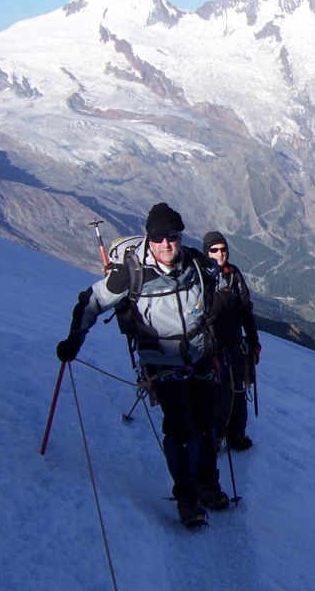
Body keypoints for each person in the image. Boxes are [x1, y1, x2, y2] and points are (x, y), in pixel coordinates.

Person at [56, 203, 229, 528]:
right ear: (149, 238)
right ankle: (187, 498)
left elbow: (216, 279)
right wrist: (73, 341)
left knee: (208, 426)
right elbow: (91, 302)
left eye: (172, 236)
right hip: (162, 363)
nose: (166, 244)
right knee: (180, 431)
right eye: (159, 237)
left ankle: (208, 484)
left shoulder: (193, 262)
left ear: (180, 236)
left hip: (200, 356)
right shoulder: (131, 273)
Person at [202, 231, 261, 453]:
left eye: (223, 249)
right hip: (214, 348)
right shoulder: (201, 278)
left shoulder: (233, 275)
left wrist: (253, 340)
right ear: (206, 252)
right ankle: (216, 435)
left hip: (236, 344)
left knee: (238, 391)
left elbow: (246, 310)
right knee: (219, 395)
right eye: (214, 250)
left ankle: (237, 433)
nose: (220, 254)